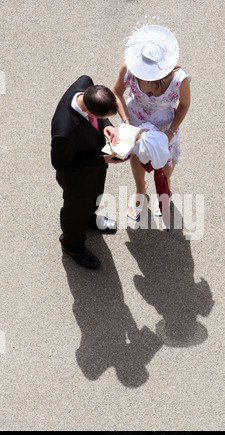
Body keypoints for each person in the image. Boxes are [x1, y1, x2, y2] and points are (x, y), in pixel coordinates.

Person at [113, 24, 192, 220]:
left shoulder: (179, 80)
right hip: (135, 121)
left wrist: (170, 133)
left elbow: (184, 104)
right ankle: (140, 188)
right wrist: (127, 122)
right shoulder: (129, 68)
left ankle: (163, 190)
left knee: (165, 162)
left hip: (166, 126)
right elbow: (116, 93)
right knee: (137, 158)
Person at [51, 75, 123, 270]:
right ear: (89, 111)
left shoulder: (85, 83)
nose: (102, 120)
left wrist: (106, 125)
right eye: (101, 117)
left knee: (96, 194)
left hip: (95, 168)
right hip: (77, 180)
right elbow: (61, 164)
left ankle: (90, 219)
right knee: (76, 212)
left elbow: (99, 119)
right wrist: (101, 159)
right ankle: (72, 245)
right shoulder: (64, 132)